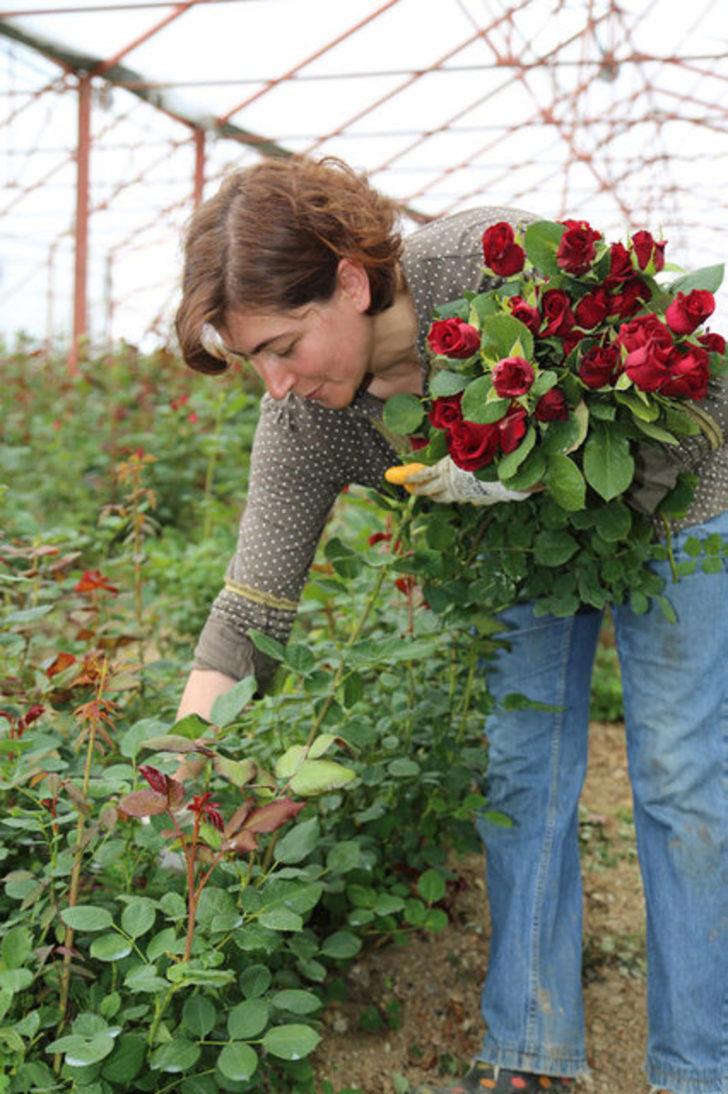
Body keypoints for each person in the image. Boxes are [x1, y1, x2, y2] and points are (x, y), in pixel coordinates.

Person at [174, 155, 728, 1094]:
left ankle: (698, 1066)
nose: (273, 381)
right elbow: (252, 603)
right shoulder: (307, 422)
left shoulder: (481, 263)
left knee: (679, 771)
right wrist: (188, 761)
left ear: (349, 282)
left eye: (281, 344)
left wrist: (525, 459)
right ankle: (531, 1048)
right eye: (252, 357)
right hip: (515, 544)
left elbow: (657, 386)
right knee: (521, 765)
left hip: (677, 499)